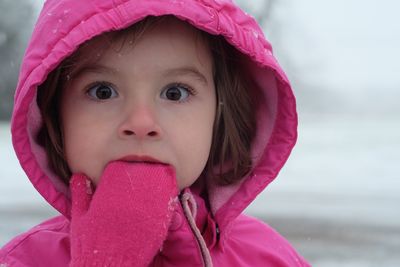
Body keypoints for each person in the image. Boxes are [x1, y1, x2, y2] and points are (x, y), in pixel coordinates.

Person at [0, 0, 310, 266]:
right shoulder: (21, 260)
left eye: (175, 93)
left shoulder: (270, 258)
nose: (141, 123)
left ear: (221, 116)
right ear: (55, 116)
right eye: (103, 92)